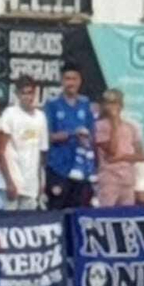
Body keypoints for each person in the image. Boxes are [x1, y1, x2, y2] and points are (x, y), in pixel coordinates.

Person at [44, 64, 96, 210]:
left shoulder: (85, 104)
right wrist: (73, 133)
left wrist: (86, 139)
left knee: (77, 211)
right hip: (58, 167)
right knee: (56, 210)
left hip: (80, 169)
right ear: (61, 81)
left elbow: (92, 135)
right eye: (67, 79)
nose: (71, 83)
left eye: (74, 79)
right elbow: (48, 137)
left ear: (80, 81)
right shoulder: (52, 104)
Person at [0, 76, 47, 211]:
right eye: (24, 93)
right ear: (17, 94)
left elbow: (41, 154)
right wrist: (9, 182)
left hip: (31, 186)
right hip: (12, 183)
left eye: (30, 92)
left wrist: (40, 182)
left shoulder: (41, 117)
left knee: (27, 227)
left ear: (35, 93)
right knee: (7, 226)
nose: (27, 97)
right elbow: (0, 151)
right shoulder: (10, 114)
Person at [94, 89, 143, 207]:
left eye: (115, 103)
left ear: (121, 105)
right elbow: (112, 151)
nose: (112, 106)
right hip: (109, 178)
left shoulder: (131, 127)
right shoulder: (100, 126)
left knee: (126, 214)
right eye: (109, 103)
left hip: (128, 178)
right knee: (107, 213)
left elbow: (141, 154)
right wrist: (114, 123)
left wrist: (123, 157)